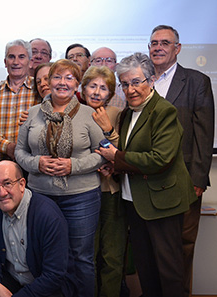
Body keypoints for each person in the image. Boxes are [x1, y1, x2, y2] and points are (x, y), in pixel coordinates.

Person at [97, 52, 197, 297]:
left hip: (162, 204)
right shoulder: (129, 112)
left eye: (136, 82)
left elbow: (160, 159)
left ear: (151, 81)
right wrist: (116, 167)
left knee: (169, 273)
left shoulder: (164, 111)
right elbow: (132, 156)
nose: (130, 89)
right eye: (125, 84)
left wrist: (116, 158)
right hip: (135, 202)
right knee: (146, 269)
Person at [15, 59, 105, 297]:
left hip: (81, 198)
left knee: (81, 258)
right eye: (57, 77)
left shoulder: (89, 115)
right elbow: (19, 152)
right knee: (45, 256)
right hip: (41, 197)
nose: (62, 83)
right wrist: (38, 163)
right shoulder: (33, 114)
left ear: (77, 84)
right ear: (48, 81)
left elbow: (104, 154)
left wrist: (72, 166)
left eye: (69, 78)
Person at [148, 25, 215, 297]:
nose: (158, 47)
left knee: (183, 245)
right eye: (154, 42)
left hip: (185, 180)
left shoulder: (197, 81)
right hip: (146, 181)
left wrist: (199, 179)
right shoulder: (140, 81)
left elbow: (204, 133)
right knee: (152, 247)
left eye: (165, 42)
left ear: (177, 48)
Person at [0, 160, 75, 297]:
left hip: (46, 288)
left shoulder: (47, 215)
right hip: (13, 279)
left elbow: (54, 275)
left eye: (7, 183)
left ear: (22, 184)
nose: (1, 193)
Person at [81, 66, 126, 297]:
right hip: (81, 192)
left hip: (110, 191)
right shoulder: (74, 113)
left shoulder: (117, 113)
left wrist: (108, 129)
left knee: (112, 255)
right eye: (92, 86)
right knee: (86, 255)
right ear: (83, 88)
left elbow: (124, 153)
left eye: (103, 88)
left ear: (110, 93)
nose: (97, 92)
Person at [0, 39, 40, 169]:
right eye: (11, 57)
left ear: (30, 62)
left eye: (21, 57)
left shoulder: (39, 88)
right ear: (5, 62)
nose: (16, 62)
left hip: (32, 164)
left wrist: (22, 150)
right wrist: (7, 147)